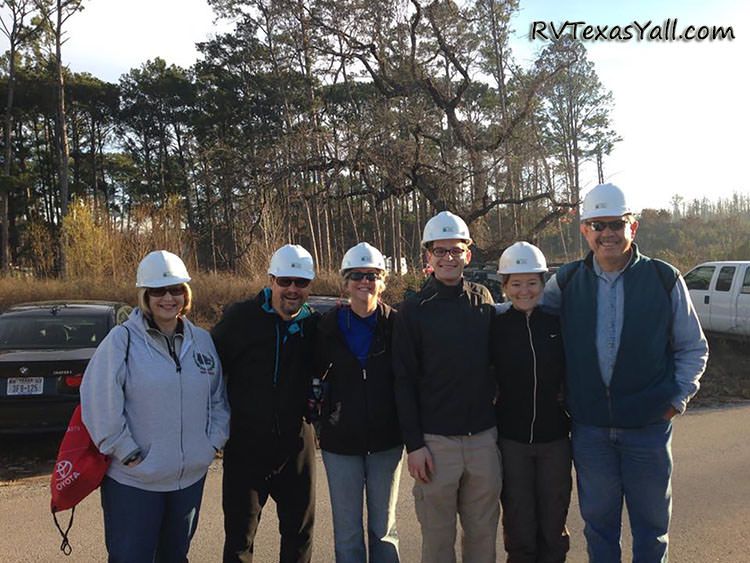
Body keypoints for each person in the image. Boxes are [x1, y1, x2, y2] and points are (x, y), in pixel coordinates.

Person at [544, 183, 709, 562]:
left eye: (616, 224)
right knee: (599, 527)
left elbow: (692, 347)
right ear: (584, 230)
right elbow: (526, 319)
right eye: (598, 225)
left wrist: (675, 400)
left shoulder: (663, 278)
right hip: (590, 430)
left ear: (632, 227)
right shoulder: (566, 282)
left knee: (652, 530)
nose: (607, 234)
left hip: (648, 430)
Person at [80, 250, 230, 563]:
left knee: (175, 558)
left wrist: (211, 443)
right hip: (135, 482)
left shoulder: (201, 341)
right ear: (145, 296)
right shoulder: (121, 341)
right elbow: (98, 400)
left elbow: (218, 398)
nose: (168, 298)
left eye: (176, 289)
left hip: (188, 480)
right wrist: (125, 450)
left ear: (185, 294)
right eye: (158, 291)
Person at [393, 211, 501, 563]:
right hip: (436, 446)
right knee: (438, 544)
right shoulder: (413, 310)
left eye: (455, 251)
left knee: (483, 540)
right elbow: (403, 380)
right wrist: (414, 445)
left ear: (467, 254)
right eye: (440, 251)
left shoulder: (482, 299)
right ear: (428, 256)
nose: (448, 258)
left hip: (483, 440)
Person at [213, 244, 319, 563]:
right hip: (246, 446)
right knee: (239, 540)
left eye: (300, 283)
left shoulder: (315, 326)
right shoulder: (240, 318)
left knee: (299, 536)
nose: (292, 289)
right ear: (271, 279)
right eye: (285, 281)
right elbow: (209, 371)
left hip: (296, 444)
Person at [315, 242, 404, 563]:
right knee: (348, 533)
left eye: (371, 275)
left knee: (383, 530)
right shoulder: (325, 327)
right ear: (345, 282)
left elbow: (409, 379)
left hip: (387, 442)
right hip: (340, 444)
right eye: (356, 276)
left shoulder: (397, 325)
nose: (364, 282)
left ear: (382, 281)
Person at [491, 242, 571, 563]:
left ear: (543, 283)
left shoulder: (557, 323)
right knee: (519, 524)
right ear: (505, 287)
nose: (524, 291)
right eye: (516, 283)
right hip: (511, 441)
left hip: (555, 439)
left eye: (532, 283)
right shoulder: (495, 326)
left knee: (553, 524)